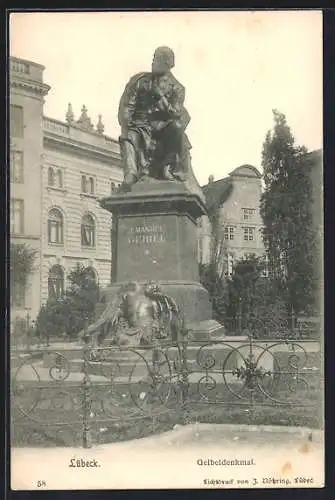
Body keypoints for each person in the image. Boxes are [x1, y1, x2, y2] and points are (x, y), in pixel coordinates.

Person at [118, 46, 192, 190]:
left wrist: (160, 97)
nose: (152, 63)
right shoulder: (139, 80)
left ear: (167, 64)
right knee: (128, 133)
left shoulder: (177, 88)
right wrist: (127, 121)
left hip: (162, 126)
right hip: (139, 122)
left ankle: (167, 167)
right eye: (153, 59)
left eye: (156, 60)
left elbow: (175, 112)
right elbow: (127, 105)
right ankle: (131, 174)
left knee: (176, 127)